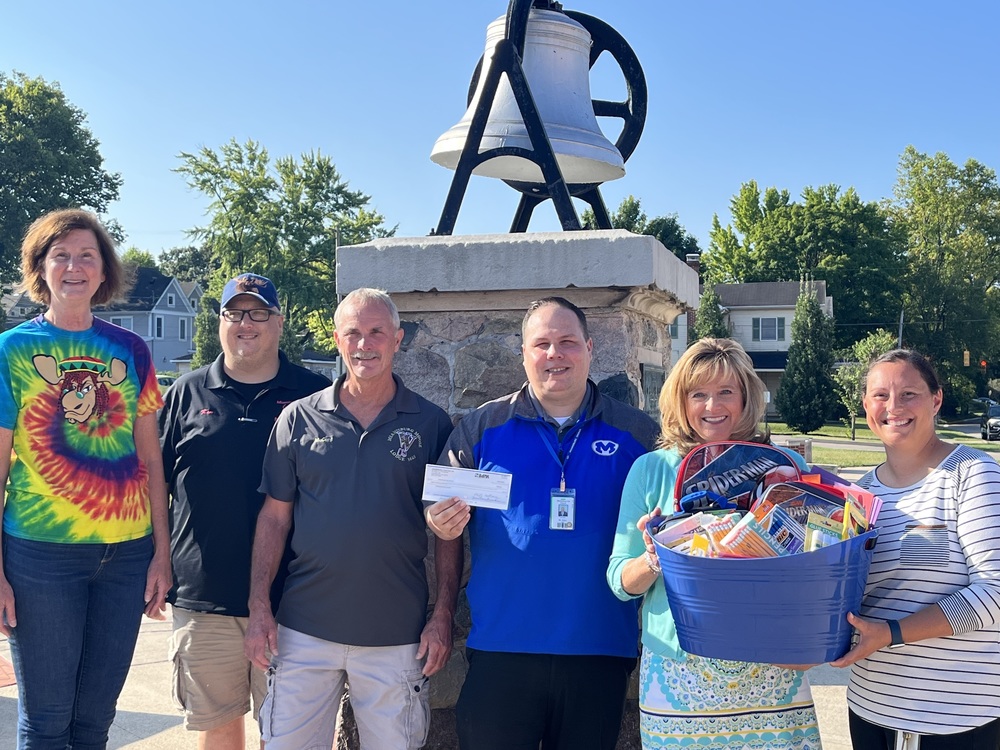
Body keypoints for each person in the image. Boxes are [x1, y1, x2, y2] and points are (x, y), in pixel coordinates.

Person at [426, 296, 659, 750]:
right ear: (525, 354)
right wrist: (440, 521)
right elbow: (440, 508)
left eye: (568, 341)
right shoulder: (481, 428)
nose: (555, 354)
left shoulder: (638, 434)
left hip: (599, 649)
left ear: (590, 348)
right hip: (502, 647)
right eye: (543, 343)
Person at [244, 287, 459, 749]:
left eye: (377, 332)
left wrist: (442, 614)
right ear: (338, 341)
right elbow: (274, 519)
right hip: (302, 631)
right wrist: (259, 607)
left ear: (398, 339)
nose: (365, 344)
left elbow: (447, 531)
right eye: (354, 333)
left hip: (396, 636)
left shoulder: (431, 423)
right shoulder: (299, 420)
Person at [0, 208, 171, 748]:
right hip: (40, 556)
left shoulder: (130, 350)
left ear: (103, 273)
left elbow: (151, 461)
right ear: (41, 269)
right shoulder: (13, 351)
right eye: (61, 255)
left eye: (87, 256)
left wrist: (161, 554)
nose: (74, 266)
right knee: (47, 720)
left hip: (126, 557)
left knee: (96, 721)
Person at [606, 337, 822, 750]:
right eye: (698, 394)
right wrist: (653, 557)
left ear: (746, 397)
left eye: (726, 392)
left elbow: (819, 562)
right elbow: (620, 581)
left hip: (772, 669)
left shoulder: (785, 468)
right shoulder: (651, 470)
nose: (712, 406)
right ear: (680, 401)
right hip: (679, 674)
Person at [159, 273, 330, 749]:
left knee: (291, 735)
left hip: (296, 598)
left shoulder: (316, 396)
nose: (245, 324)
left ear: (279, 322)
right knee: (217, 729)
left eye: (258, 313)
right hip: (204, 595)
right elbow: (156, 487)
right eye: (234, 313)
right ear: (219, 323)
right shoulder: (185, 394)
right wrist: (155, 561)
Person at [830, 349, 1000, 749]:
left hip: (956, 716)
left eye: (909, 394)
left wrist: (890, 633)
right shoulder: (858, 497)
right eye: (880, 395)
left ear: (936, 399)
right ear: (865, 405)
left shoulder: (972, 473)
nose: (894, 407)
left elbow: (994, 592)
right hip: (870, 709)